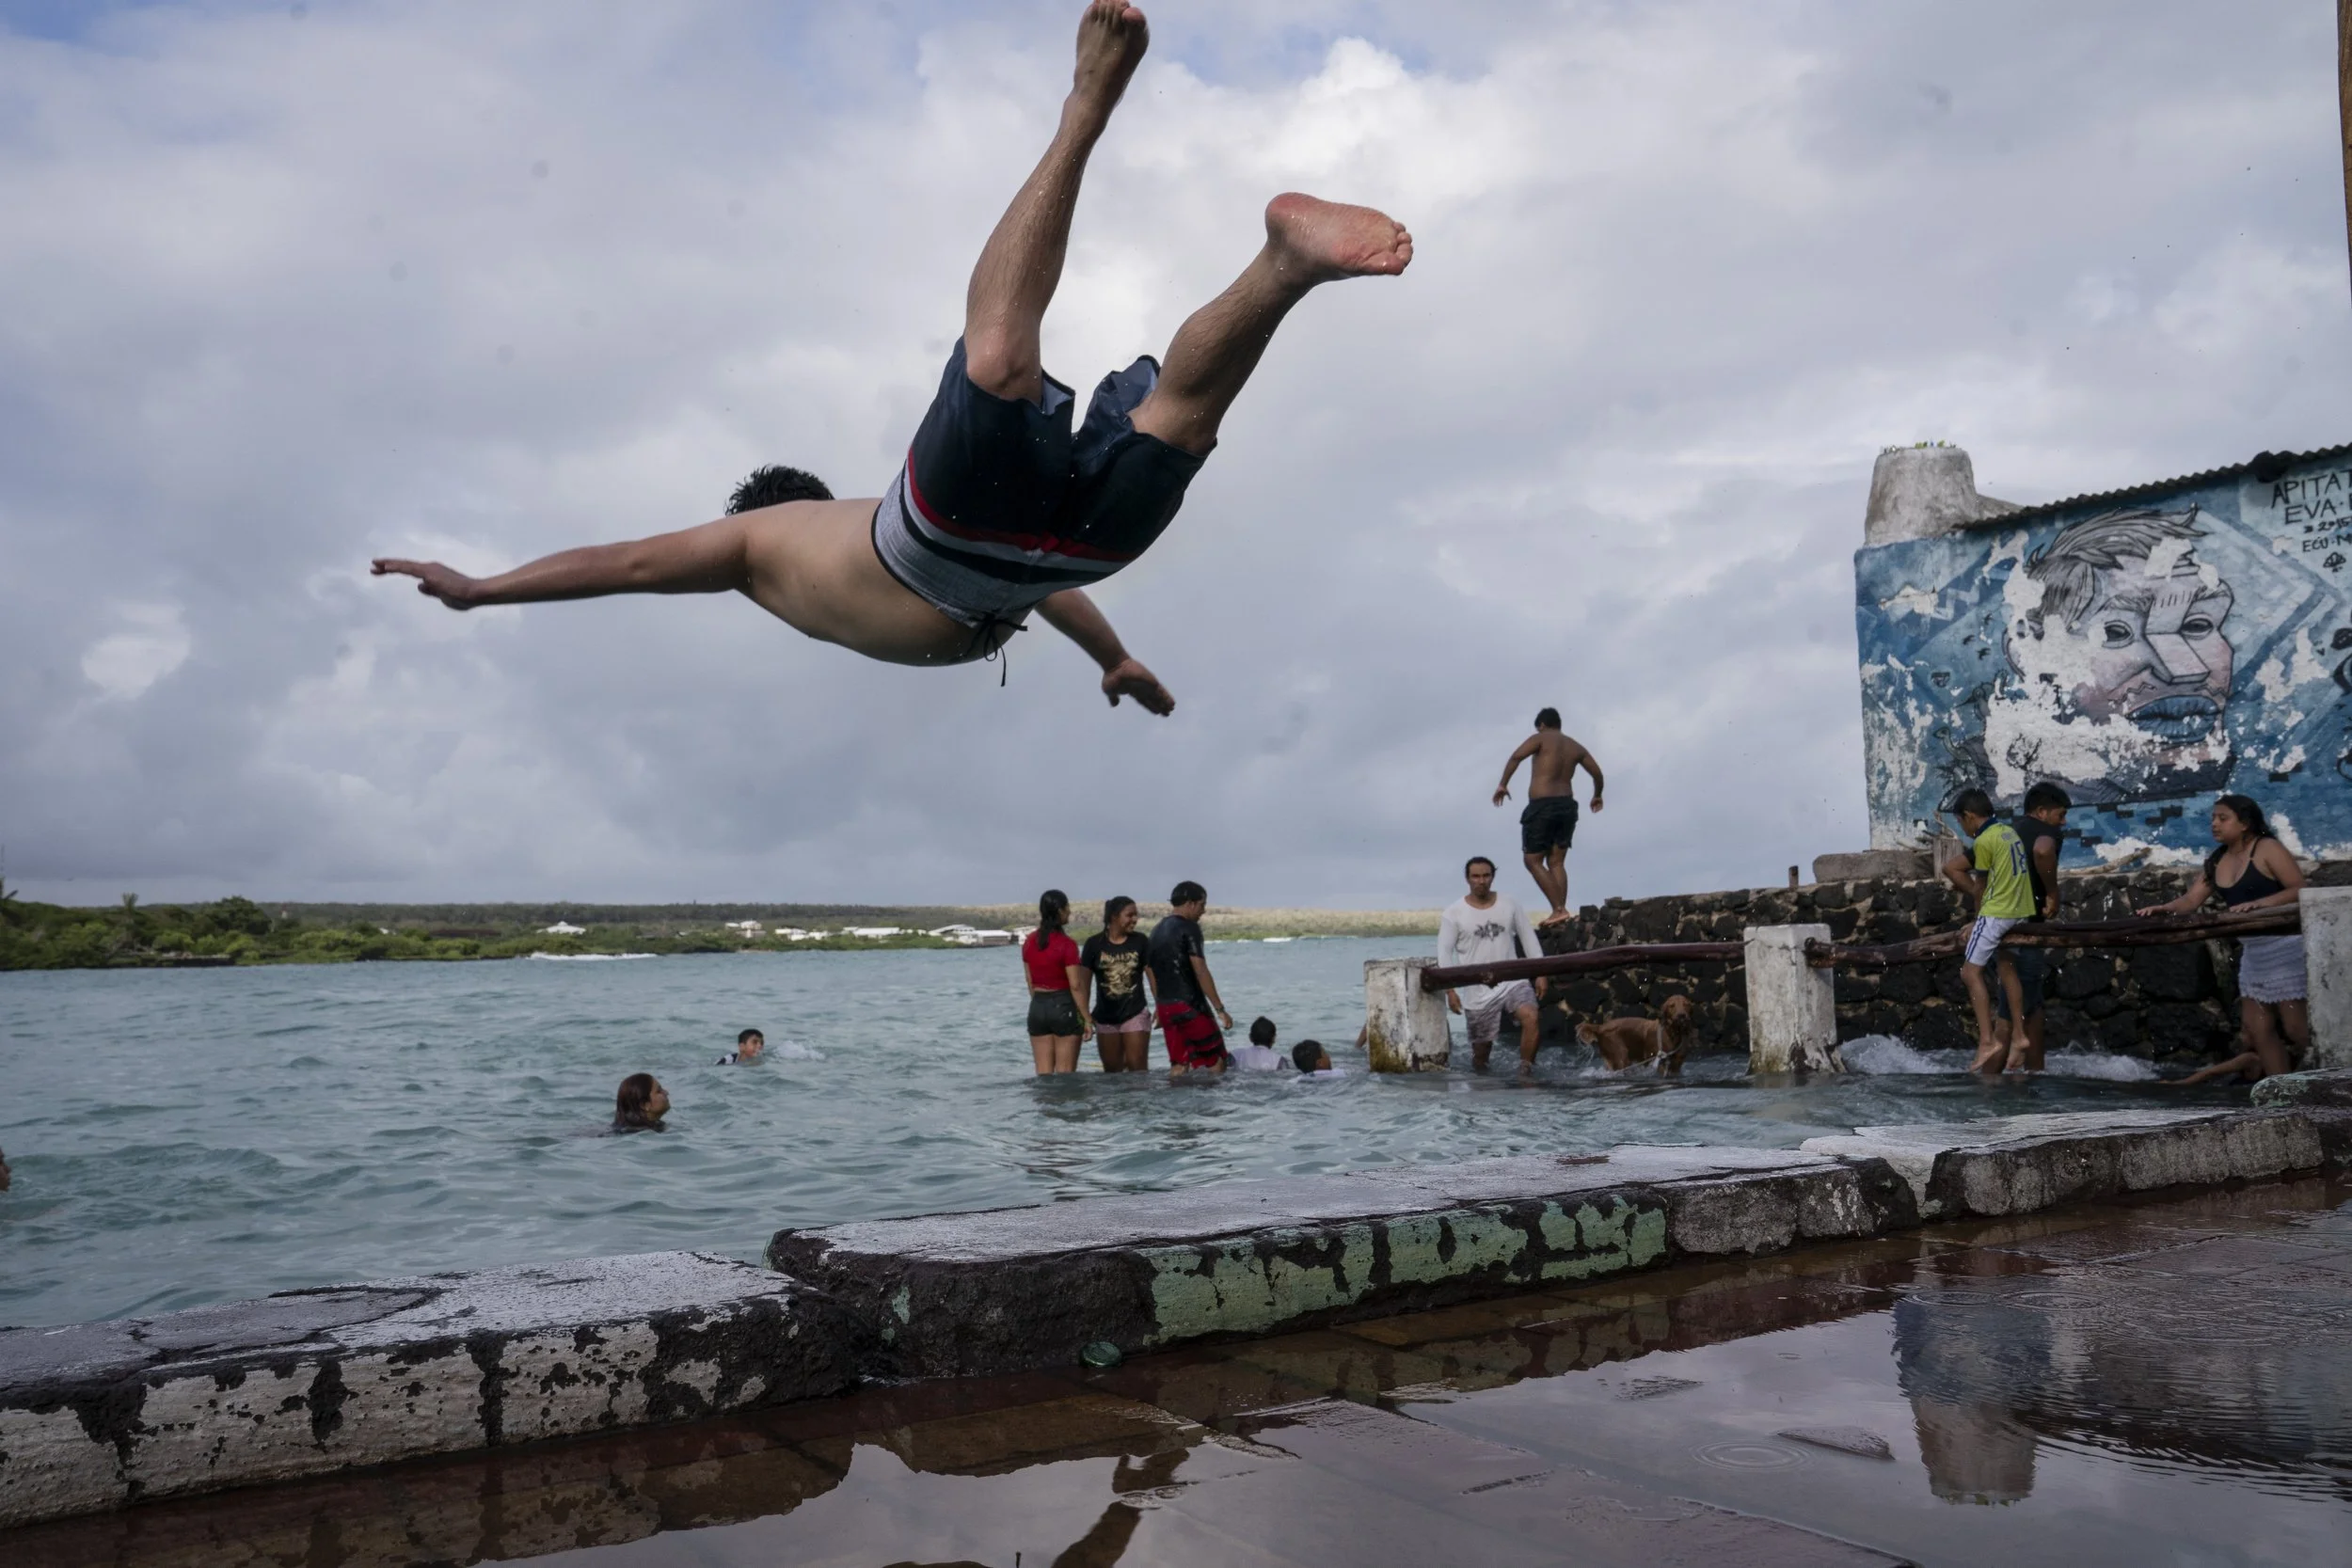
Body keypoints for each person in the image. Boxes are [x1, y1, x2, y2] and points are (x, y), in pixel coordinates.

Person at [371, 3, 1411, 715]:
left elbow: (632, 565)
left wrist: (483, 590)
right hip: (1034, 562)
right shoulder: (842, 529)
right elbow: (1043, 591)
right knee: (1041, 377)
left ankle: (1120, 136)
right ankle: (1282, 260)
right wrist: (1117, 657)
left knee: (1134, 408)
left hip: (1036, 553)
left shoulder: (757, 539)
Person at [2137, 794, 2309, 1085]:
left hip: (2285, 947)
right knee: (2257, 1028)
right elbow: (2191, 900)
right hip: (2254, 952)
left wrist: (2261, 905)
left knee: (2294, 1027)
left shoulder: (2267, 848)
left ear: (2245, 823)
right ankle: (2284, 1093)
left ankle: (2333, 1076)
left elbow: (2298, 889)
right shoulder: (2217, 861)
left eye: (2222, 818)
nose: (2214, 824)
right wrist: (2164, 909)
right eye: (2213, 818)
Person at [1940, 788, 2034, 1074]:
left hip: (1998, 912)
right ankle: (2019, 1036)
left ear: (1969, 817)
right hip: (2020, 909)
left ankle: (1986, 1041)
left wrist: (1976, 921)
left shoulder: (1984, 840)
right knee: (2007, 968)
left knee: (1969, 973)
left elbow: (1980, 887)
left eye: (1961, 823)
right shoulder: (2007, 832)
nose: (1963, 830)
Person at [1492, 708, 1603, 925]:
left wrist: (1503, 783)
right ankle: (1560, 914)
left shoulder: (1540, 738)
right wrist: (1597, 795)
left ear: (1542, 725)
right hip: (1567, 807)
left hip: (1543, 806)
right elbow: (1597, 773)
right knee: (1557, 862)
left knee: (1532, 860)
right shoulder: (1575, 746)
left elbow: (1516, 756)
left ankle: (1559, 909)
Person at [1438, 856, 1549, 1071]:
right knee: (1481, 1056)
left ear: (1493, 877)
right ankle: (1482, 1085)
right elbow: (1444, 953)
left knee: (1531, 1016)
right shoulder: (1453, 913)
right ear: (1468, 879)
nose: (1481, 881)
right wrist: (1450, 991)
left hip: (1513, 980)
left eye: (1486, 875)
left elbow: (1528, 939)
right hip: (1478, 990)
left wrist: (1541, 973)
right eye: (1476, 876)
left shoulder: (1510, 904)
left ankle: (1526, 1070)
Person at [1990, 783, 2070, 1072]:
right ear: (2041, 812)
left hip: (1998, 926)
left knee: (2032, 1005)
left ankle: (2035, 1075)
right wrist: (2052, 892)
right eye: (2060, 815)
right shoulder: (2046, 832)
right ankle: (1988, 1087)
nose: (2064, 822)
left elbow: (1978, 873)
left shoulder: (2007, 833)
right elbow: (2043, 851)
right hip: (2025, 929)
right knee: (2008, 1018)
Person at [1149, 880, 1233, 1073]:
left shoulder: (1156, 931)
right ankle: (1212, 1102)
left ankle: (1173, 1102)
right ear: (1190, 903)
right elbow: (1200, 970)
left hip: (1166, 1007)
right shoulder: (1189, 928)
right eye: (1202, 905)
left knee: (1179, 1063)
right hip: (1189, 1004)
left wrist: (1159, 1004)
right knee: (1216, 1059)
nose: (1203, 911)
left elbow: (1150, 970)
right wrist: (1219, 1009)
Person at [1078, 895, 1155, 1071]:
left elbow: (1152, 976)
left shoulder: (1140, 941)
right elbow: (1084, 985)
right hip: (1105, 1017)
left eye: (1136, 915)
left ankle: (1140, 1099)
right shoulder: (1094, 944)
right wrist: (1085, 1018)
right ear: (1114, 917)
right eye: (1129, 915)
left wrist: (1161, 1004)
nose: (1135, 920)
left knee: (1138, 1071)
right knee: (1112, 1074)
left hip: (1135, 1012)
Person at [1023, 889, 1089, 1075]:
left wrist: (1041, 1004)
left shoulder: (1029, 941)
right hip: (1063, 1005)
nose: (1069, 911)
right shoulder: (1067, 944)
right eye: (1067, 907)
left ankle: (1044, 1105)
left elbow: (1030, 981)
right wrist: (1087, 1019)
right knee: (1065, 1076)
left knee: (1043, 1075)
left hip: (1037, 1007)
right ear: (1060, 910)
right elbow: (1075, 985)